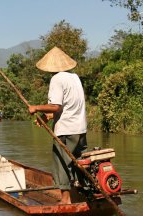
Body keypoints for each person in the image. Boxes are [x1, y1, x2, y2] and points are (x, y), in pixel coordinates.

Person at [28, 47, 87, 204]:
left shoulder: (57, 79)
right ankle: (85, 193)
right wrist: (46, 118)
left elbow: (56, 106)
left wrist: (36, 107)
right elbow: (68, 106)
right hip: (80, 129)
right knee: (79, 163)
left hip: (66, 130)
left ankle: (66, 199)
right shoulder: (75, 78)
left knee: (61, 163)